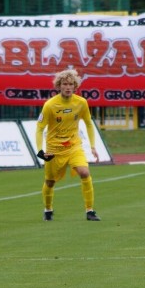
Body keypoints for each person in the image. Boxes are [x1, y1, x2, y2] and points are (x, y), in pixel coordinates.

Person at [35, 68, 100, 222]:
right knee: (50, 181)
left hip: (73, 146)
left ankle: (90, 211)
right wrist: (40, 150)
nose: (68, 87)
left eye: (71, 84)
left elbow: (89, 124)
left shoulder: (81, 103)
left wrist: (92, 146)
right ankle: (48, 209)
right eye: (65, 84)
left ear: (75, 86)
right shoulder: (50, 105)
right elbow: (39, 128)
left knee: (84, 172)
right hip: (54, 149)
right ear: (59, 86)